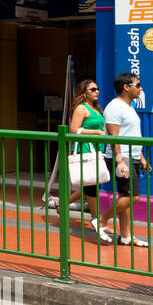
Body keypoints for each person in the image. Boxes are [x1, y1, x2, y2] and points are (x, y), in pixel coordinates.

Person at [45, 80, 108, 239]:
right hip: (86, 149)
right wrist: (96, 134)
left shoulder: (96, 107)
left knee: (91, 184)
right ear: (84, 92)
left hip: (97, 149)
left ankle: (62, 202)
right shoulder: (81, 108)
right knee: (92, 186)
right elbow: (73, 130)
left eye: (98, 88)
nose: (97, 91)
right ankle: (96, 220)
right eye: (93, 89)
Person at [103, 72, 151, 248]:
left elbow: (132, 135)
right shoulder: (114, 107)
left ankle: (126, 237)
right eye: (137, 85)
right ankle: (101, 220)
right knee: (134, 197)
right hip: (122, 158)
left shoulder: (129, 107)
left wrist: (141, 157)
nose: (140, 88)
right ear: (126, 87)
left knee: (126, 197)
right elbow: (114, 136)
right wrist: (119, 160)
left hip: (132, 156)